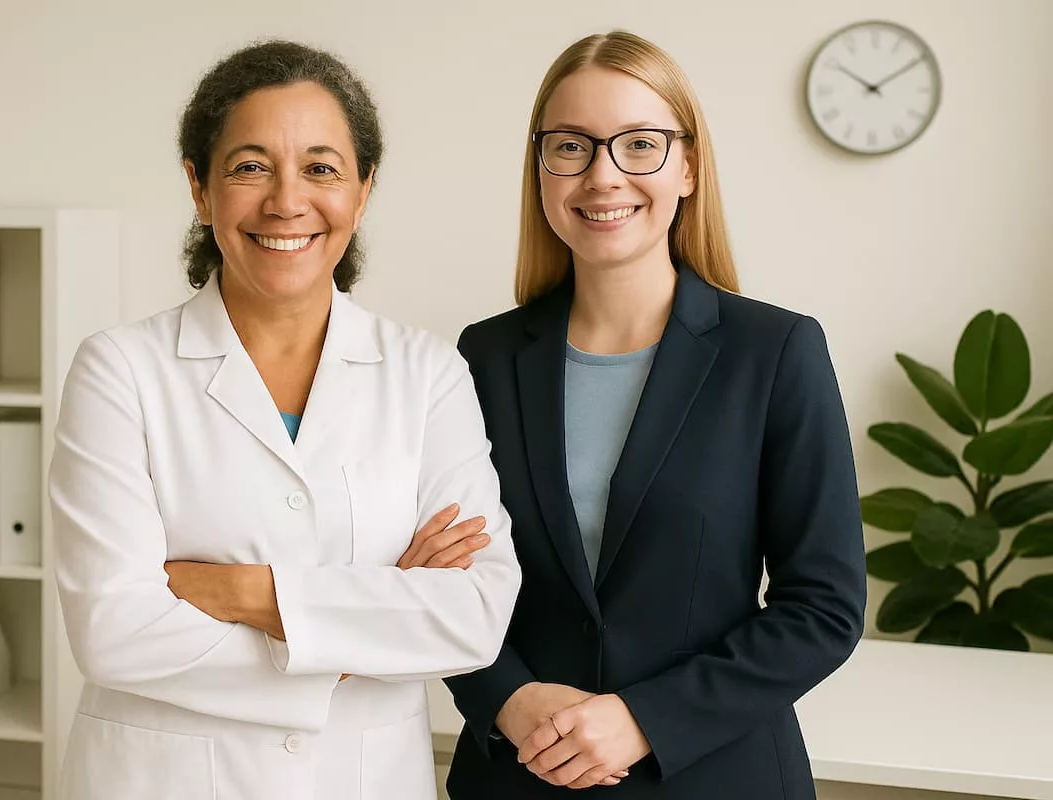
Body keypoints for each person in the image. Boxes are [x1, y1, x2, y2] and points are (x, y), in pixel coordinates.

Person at [49, 40, 520, 800]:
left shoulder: (427, 374)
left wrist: (242, 594)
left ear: (362, 190)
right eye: (249, 166)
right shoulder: (120, 371)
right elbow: (113, 633)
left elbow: (473, 616)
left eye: (322, 168)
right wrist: (378, 608)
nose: (286, 200)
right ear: (200, 189)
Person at [443, 30, 866, 799]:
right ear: (540, 167)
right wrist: (506, 698)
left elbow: (824, 609)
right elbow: (445, 577)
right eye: (571, 146)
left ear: (689, 167)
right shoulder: (481, 358)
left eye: (639, 144)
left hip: (718, 778)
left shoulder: (775, 353)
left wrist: (646, 718)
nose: (603, 176)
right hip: (521, 778)